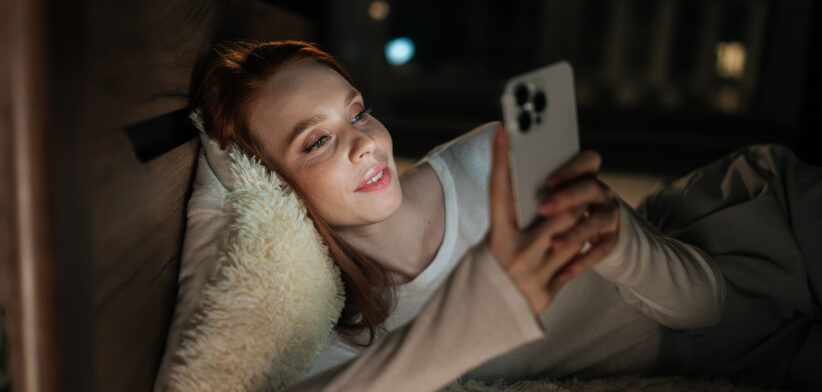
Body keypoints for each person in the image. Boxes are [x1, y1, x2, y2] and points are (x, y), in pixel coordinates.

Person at [186, 40, 820, 391]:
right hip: (765, 354)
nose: (364, 143)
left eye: (357, 112)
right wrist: (477, 310)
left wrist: (622, 241)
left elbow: (707, 309)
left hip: (760, 224)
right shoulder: (338, 329)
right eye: (315, 141)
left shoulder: (496, 157)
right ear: (266, 182)